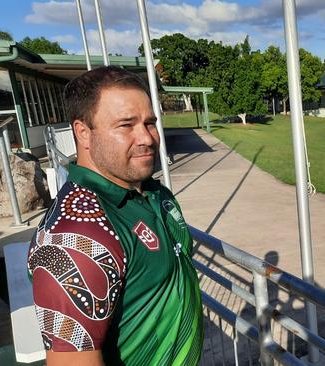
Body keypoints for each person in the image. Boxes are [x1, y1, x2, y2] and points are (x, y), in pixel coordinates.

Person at [27, 66, 203, 366]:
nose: (147, 138)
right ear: (83, 133)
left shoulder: (153, 192)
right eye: (126, 125)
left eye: (149, 123)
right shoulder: (78, 235)